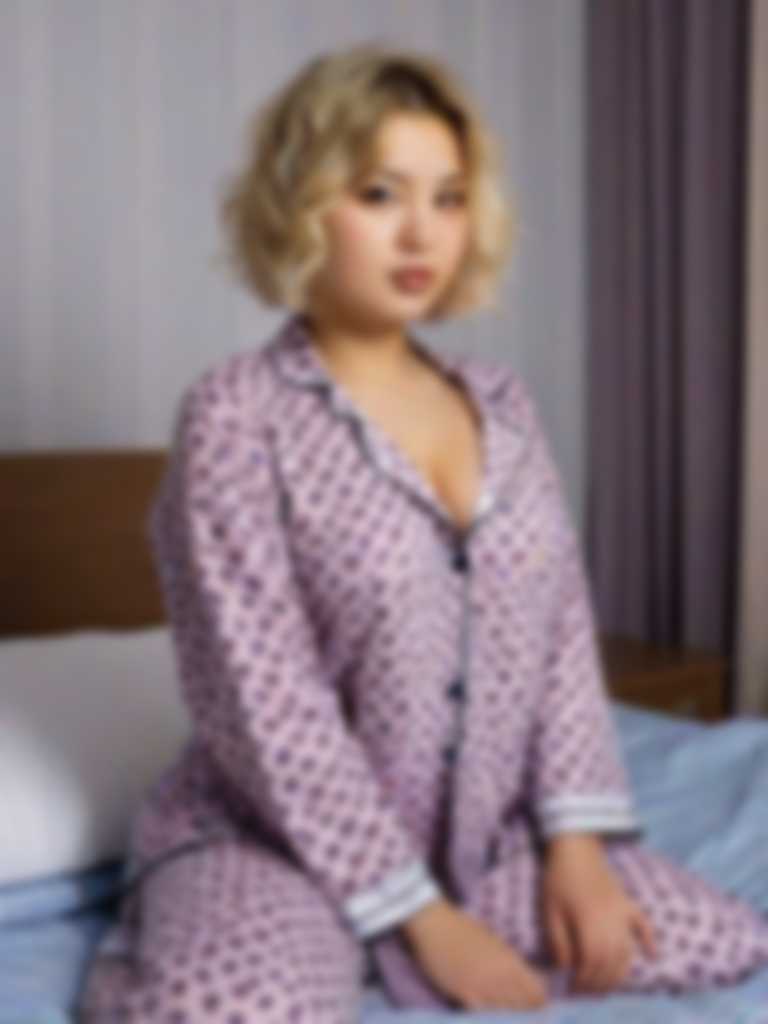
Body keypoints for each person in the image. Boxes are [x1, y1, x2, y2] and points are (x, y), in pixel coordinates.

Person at [77, 40, 768, 1022]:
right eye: (379, 194)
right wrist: (424, 923)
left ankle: (363, 954)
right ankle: (265, 940)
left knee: (719, 937)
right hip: (277, 842)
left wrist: (575, 852)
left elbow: (561, 635)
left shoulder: (503, 404)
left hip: (481, 845)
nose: (421, 233)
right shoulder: (237, 416)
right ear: (302, 202)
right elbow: (265, 705)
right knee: (233, 1005)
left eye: (448, 199)